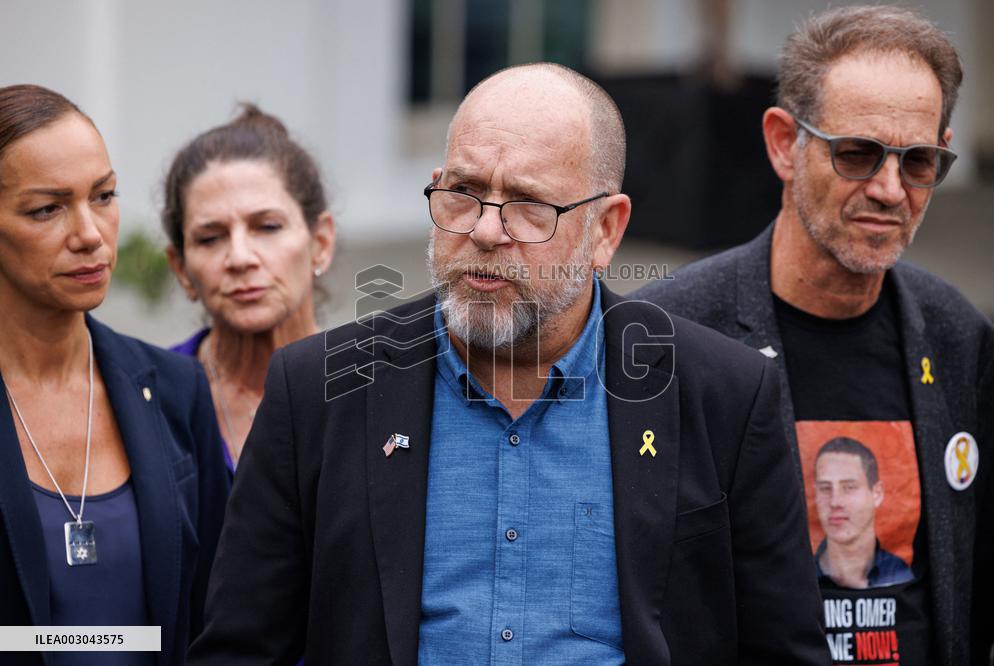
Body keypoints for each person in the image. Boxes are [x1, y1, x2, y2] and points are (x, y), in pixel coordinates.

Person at [188, 63, 828, 664]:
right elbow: (242, 648)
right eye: (463, 193)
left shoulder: (723, 395)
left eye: (529, 204)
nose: (486, 230)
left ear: (606, 231)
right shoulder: (322, 389)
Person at [633, 6, 994, 664]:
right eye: (858, 154)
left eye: (919, 162)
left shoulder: (958, 338)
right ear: (783, 144)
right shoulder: (664, 336)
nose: (891, 189)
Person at [0, 85, 229, 665]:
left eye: (103, 196)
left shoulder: (176, 390)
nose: (90, 234)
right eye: (47, 208)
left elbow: (218, 618)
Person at [162, 106, 335, 473]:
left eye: (267, 227)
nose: (240, 258)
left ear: (320, 242)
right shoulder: (152, 401)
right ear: (181, 268)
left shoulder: (369, 392)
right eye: (210, 238)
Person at [813, 437, 913, 589]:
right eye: (825, 488)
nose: (835, 502)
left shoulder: (903, 576)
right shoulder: (799, 576)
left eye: (849, 487)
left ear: (877, 494)